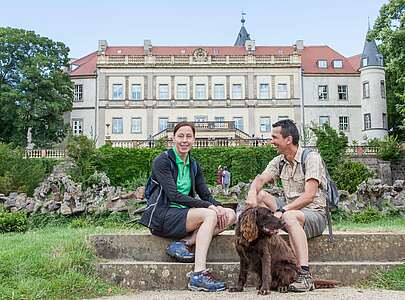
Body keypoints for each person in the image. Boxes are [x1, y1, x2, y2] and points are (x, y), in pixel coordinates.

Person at [140, 121, 236, 292]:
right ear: (173, 138)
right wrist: (209, 207)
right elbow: (174, 195)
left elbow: (205, 195)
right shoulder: (162, 161)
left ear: (194, 139)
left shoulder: (193, 164)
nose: (185, 140)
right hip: (163, 215)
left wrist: (218, 206)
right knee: (210, 215)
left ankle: (185, 243)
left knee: (229, 214)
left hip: (184, 216)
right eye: (180, 136)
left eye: (189, 136)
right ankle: (198, 274)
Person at [246, 119, 327, 293]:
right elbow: (260, 180)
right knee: (261, 195)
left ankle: (304, 275)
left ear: (288, 139)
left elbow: (309, 196)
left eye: (274, 137)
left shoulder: (311, 158)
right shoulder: (279, 161)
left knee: (289, 216)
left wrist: (282, 210)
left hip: (314, 214)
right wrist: (252, 192)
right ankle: (264, 238)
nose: (271, 141)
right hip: (292, 210)